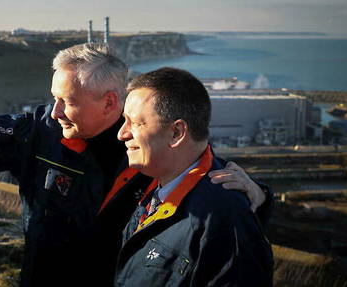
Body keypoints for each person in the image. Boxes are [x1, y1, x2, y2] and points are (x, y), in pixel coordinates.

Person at [0, 43, 272, 286]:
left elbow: (207, 187)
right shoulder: (37, 132)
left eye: (67, 102)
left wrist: (260, 197)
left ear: (110, 102)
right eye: (52, 99)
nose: (54, 112)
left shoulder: (150, 147)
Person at [114, 67, 273, 286]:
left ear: (177, 133)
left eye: (136, 123)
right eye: (124, 120)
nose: (122, 133)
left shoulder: (223, 221)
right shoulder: (157, 186)